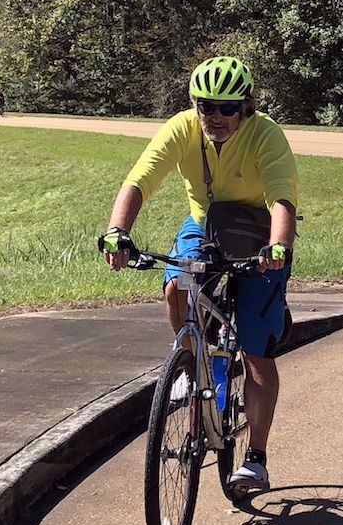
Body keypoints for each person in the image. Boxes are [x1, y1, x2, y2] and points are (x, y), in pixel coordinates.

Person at [101, 56, 298, 491]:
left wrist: (278, 248)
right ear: (194, 104)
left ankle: (257, 458)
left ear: (245, 107)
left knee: (255, 350)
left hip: (261, 235)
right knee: (175, 284)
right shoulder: (182, 129)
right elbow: (140, 180)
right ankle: (192, 365)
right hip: (204, 225)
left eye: (227, 108)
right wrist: (118, 231)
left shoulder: (265, 134)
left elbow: (282, 197)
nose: (215, 116)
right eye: (206, 106)